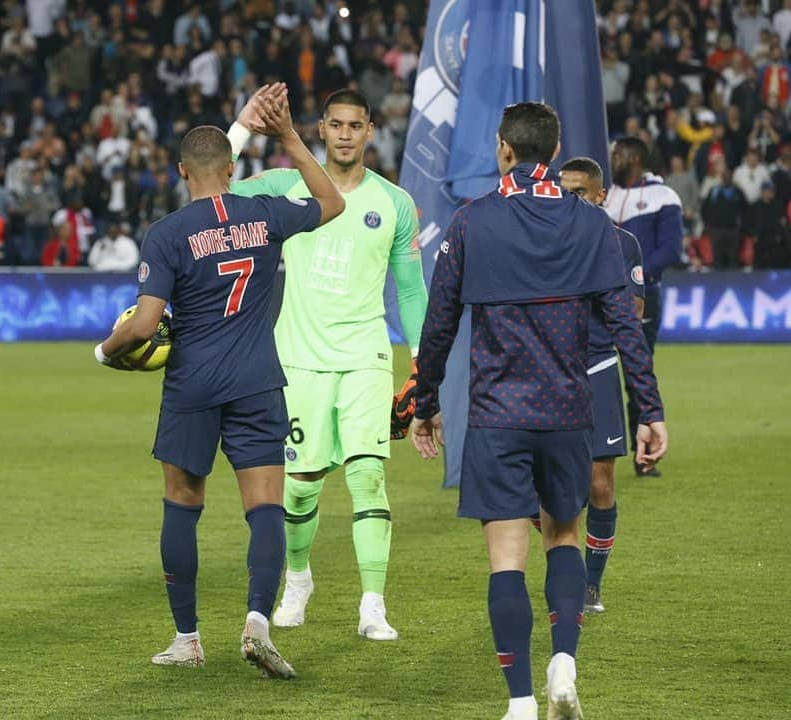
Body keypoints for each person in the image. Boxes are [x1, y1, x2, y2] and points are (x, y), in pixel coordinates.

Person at [409, 104, 668, 720]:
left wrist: (425, 404)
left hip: (498, 416)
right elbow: (626, 328)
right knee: (563, 538)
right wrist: (648, 409)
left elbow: (439, 324)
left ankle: (521, 703)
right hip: (567, 412)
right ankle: (565, 666)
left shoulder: (470, 224)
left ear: (503, 149)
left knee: (505, 556)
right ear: (552, 153)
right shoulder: (591, 224)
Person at [94, 84, 344, 678]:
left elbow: (147, 325)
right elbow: (330, 202)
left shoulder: (168, 232)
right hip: (258, 381)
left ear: (182, 171)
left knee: (182, 505)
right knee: (265, 508)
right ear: (233, 169)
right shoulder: (264, 213)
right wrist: (288, 138)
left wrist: (105, 351)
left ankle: (188, 639)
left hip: (193, 387)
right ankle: (258, 622)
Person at [228, 88, 427, 640]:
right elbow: (209, 183)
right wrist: (245, 126)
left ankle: (372, 604)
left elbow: (411, 294)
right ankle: (299, 581)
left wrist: (422, 368)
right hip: (297, 360)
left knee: (368, 475)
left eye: (354, 125)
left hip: (365, 356)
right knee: (301, 484)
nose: (344, 133)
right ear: (321, 129)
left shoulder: (395, 204)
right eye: (335, 124)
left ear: (369, 132)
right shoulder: (281, 188)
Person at [558, 157, 647, 615]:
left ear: (600, 196)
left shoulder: (622, 243)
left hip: (595, 368)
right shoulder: (544, 238)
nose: (569, 199)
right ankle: (567, 563)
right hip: (549, 370)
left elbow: (631, 313)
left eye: (579, 192)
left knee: (600, 486)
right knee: (545, 489)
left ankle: (590, 585)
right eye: (563, 190)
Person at [604, 136, 682, 477]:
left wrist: (634, 277)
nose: (613, 158)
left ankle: (644, 454)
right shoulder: (608, 193)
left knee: (637, 372)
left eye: (618, 154)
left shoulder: (663, 196)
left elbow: (671, 249)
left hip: (642, 296)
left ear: (635, 158)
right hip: (601, 297)